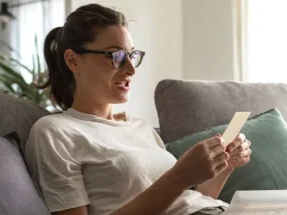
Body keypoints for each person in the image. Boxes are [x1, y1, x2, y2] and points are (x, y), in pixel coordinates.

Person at [24, 4, 252, 215]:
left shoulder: (140, 127)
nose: (131, 69)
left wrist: (225, 164)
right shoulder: (55, 133)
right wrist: (179, 177)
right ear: (73, 61)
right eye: (117, 56)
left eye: (132, 55)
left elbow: (186, 203)